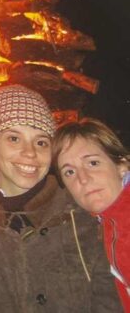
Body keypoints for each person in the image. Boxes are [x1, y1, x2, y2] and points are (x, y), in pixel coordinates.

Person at [0, 84, 122, 312]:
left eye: (41, 142)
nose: (30, 152)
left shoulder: (78, 210)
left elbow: (109, 297)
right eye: (14, 138)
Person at [52, 118, 130, 311]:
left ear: (121, 165)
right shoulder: (99, 222)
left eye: (93, 163)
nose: (83, 179)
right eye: (69, 172)